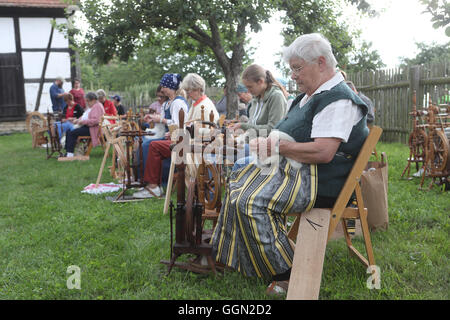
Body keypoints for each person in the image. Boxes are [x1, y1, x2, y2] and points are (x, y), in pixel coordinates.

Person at [211, 33, 369, 293]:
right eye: (292, 69)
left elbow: (324, 152)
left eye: (297, 68)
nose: (293, 76)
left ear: (320, 63)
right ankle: (247, 259)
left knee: (250, 201)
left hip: (321, 181)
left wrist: (277, 146)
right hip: (300, 172)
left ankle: (286, 272)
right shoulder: (309, 95)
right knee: (237, 186)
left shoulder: (338, 99)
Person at [133, 73, 219, 199]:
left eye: (190, 90)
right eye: (187, 90)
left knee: (154, 146)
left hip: (195, 146)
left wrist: (178, 133)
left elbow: (207, 132)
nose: (188, 94)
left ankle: (153, 186)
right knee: (151, 145)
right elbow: (188, 126)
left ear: (199, 89)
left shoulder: (204, 106)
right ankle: (152, 184)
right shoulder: (197, 104)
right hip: (188, 142)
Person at [230, 64, 288, 169]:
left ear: (260, 81)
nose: (248, 90)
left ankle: (234, 183)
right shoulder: (255, 99)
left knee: (237, 161)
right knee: (220, 152)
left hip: (267, 148)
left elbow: (273, 129)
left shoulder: (276, 97)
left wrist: (243, 126)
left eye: (250, 87)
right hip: (252, 142)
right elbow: (253, 125)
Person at [58, 92, 105, 161]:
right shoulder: (92, 106)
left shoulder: (97, 106)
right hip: (88, 127)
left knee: (72, 133)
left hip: (93, 129)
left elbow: (95, 121)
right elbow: (84, 116)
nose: (87, 103)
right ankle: (68, 152)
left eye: (88, 101)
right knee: (69, 131)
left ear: (94, 100)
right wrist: (77, 120)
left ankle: (70, 154)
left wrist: (82, 121)